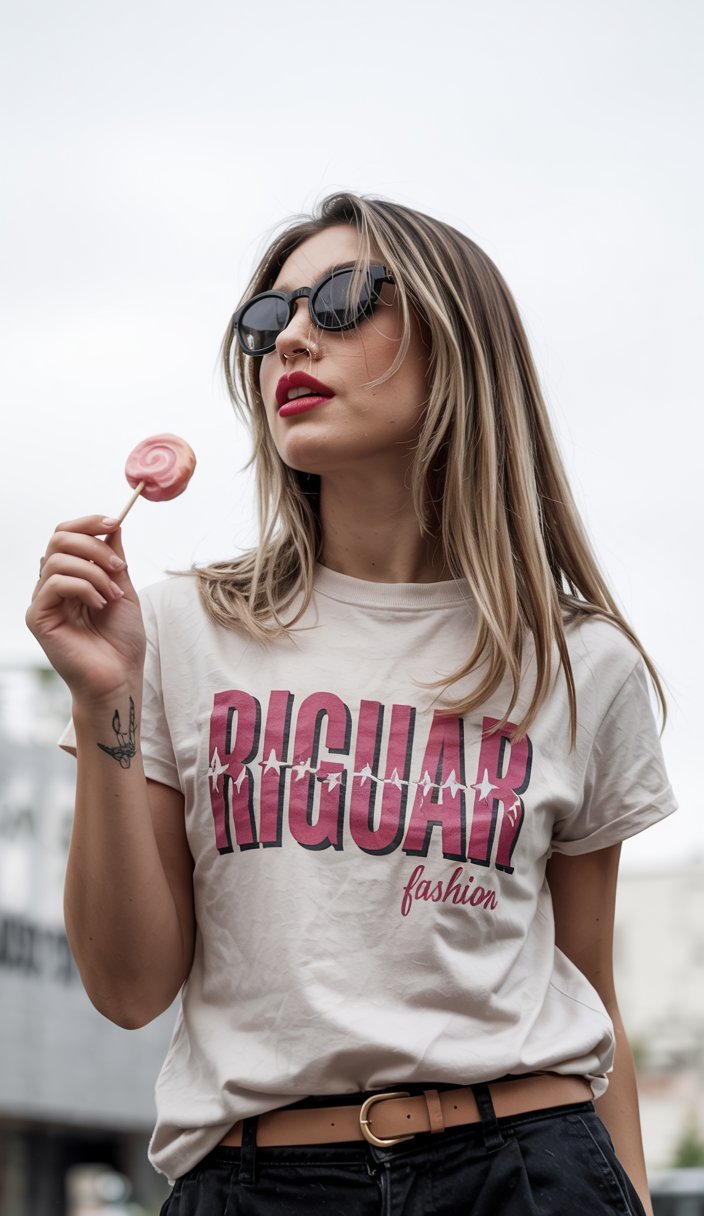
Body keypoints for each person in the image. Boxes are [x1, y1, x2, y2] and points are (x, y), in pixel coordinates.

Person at [26, 192, 676, 1216]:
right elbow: (127, 986)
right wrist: (106, 700)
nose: (287, 337)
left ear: (457, 339)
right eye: (264, 319)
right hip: (255, 1180)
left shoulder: (579, 662)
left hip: (525, 1167)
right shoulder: (173, 633)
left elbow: (587, 988)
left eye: (336, 301)